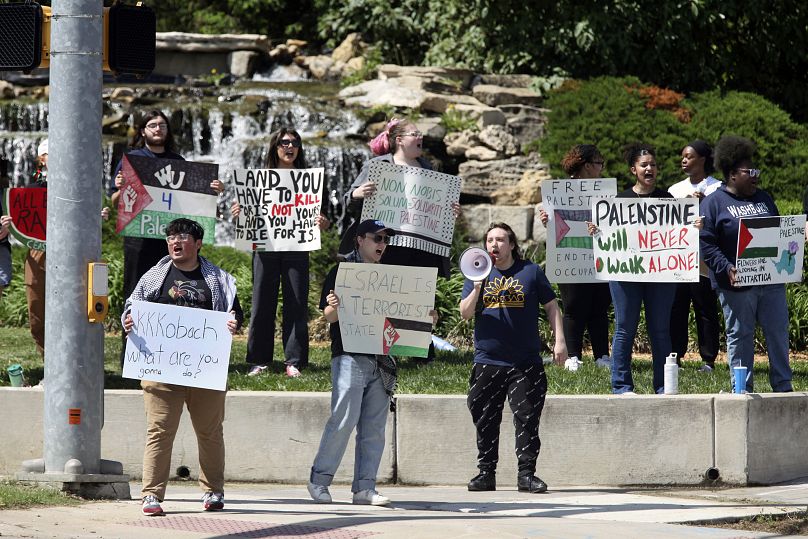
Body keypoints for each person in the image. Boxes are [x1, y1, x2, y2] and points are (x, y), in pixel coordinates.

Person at [122, 218, 243, 516]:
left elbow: (235, 315)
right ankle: (151, 495)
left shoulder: (219, 280)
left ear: (198, 243)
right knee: (159, 431)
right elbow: (132, 307)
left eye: (182, 237)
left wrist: (232, 323)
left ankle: (213, 491)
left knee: (211, 432)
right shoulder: (154, 277)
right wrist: (129, 320)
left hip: (205, 372)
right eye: (170, 237)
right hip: (161, 372)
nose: (175, 242)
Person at [308, 219, 429, 506]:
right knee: (343, 421)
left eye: (385, 240)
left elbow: (400, 321)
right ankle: (319, 480)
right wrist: (334, 308)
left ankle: (364, 488)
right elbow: (327, 316)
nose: (382, 245)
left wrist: (425, 319)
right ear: (359, 240)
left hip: (382, 359)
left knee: (374, 428)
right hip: (350, 355)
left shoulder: (390, 278)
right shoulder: (341, 272)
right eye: (377, 238)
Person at [459, 222, 567, 493]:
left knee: (527, 418)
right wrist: (476, 288)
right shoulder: (476, 272)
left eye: (500, 240)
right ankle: (485, 473)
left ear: (512, 244)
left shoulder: (530, 272)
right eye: (490, 240)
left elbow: (552, 306)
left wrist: (560, 342)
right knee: (484, 418)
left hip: (524, 362)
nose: (494, 245)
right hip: (488, 360)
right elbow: (465, 313)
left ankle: (527, 475)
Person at [111, 111, 223, 362]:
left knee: (170, 293)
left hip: (170, 242)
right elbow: (115, 201)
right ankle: (130, 354)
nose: (158, 129)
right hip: (138, 239)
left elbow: (192, 203)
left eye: (162, 125)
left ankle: (167, 355)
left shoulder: (178, 160)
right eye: (152, 125)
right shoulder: (133, 159)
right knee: (135, 294)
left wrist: (213, 191)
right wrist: (119, 189)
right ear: (142, 131)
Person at [233, 128, 328, 378]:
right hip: (266, 248)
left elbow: (324, 218)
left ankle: (294, 360)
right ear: (275, 147)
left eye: (295, 142)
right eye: (284, 142)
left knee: (296, 303)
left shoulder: (309, 181)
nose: (290, 146)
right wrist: (239, 213)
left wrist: (322, 222)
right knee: (262, 302)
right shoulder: (259, 178)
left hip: (297, 247)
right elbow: (247, 214)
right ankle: (258, 359)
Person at [700, 135, 792, 393]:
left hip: (770, 283)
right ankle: (742, 389)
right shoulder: (714, 203)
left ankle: (783, 387)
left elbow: (778, 232)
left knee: (777, 334)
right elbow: (706, 243)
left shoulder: (764, 199)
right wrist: (726, 267)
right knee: (740, 336)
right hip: (736, 285)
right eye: (749, 171)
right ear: (731, 174)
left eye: (756, 170)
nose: (755, 176)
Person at [589, 143, 677, 394]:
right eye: (644, 165)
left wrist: (693, 227)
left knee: (660, 330)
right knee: (625, 327)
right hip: (625, 274)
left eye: (653, 164)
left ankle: (663, 386)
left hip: (660, 274)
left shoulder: (667, 200)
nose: (649, 168)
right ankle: (621, 385)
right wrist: (598, 232)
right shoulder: (620, 201)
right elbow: (607, 235)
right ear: (633, 170)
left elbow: (677, 234)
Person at [339, 117, 458, 278]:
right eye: (415, 134)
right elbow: (347, 203)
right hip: (385, 247)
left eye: (420, 134)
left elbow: (437, 212)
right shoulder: (378, 166)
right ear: (400, 140)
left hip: (421, 251)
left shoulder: (431, 170)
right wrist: (356, 194)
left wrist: (451, 211)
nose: (420, 137)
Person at [539, 144, 612, 371]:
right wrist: (547, 220)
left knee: (599, 306)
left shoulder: (605, 191)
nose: (601, 168)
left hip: (600, 255)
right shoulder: (559, 191)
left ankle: (602, 356)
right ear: (588, 166)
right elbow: (556, 223)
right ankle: (573, 355)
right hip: (570, 256)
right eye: (599, 163)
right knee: (573, 306)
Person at [668, 140, 722, 372]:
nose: (684, 161)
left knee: (705, 308)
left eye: (689, 157)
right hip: (678, 259)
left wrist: (704, 205)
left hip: (704, 260)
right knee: (676, 308)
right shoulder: (674, 190)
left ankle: (708, 359)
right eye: (682, 157)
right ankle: (675, 357)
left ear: (702, 159)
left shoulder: (717, 189)